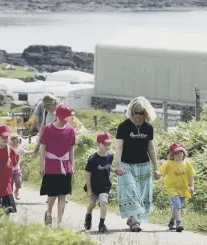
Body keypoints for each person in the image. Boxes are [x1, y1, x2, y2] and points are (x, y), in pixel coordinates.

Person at [115, 96, 161, 232]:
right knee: (131, 191)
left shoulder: (148, 128)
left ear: (146, 114)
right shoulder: (124, 126)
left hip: (143, 165)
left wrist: (156, 167)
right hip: (126, 164)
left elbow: (151, 148)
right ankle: (135, 221)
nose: (138, 116)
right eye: (136, 113)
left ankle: (132, 217)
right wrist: (118, 165)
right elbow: (118, 147)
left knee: (140, 193)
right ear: (131, 113)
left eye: (141, 113)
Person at [39, 104, 75, 228]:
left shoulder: (70, 130)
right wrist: (41, 164)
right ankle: (48, 212)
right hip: (51, 165)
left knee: (63, 195)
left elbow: (71, 149)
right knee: (52, 194)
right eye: (63, 118)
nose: (65, 120)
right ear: (56, 116)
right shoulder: (48, 129)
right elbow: (42, 146)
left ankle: (60, 222)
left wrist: (72, 164)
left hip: (65, 166)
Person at [159, 142, 195, 232]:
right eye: (176, 152)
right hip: (171, 187)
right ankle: (179, 223)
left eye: (180, 152)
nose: (179, 154)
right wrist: (158, 175)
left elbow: (191, 176)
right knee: (177, 204)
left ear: (184, 153)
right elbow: (160, 173)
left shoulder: (187, 164)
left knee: (177, 206)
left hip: (183, 188)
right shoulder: (168, 163)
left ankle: (171, 221)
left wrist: (192, 187)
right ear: (172, 155)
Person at [83, 132, 114, 233]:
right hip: (93, 186)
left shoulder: (110, 156)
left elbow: (108, 167)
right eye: (104, 144)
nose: (107, 146)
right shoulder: (93, 158)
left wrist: (116, 170)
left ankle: (101, 224)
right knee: (92, 204)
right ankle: (88, 215)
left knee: (103, 203)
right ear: (98, 144)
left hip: (104, 186)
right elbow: (88, 174)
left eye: (109, 144)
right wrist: (89, 189)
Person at [9, 133, 35, 200]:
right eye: (13, 140)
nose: (15, 142)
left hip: (16, 169)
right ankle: (10, 196)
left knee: (19, 182)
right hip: (9, 170)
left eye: (16, 140)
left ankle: (16, 191)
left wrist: (33, 151)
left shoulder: (19, 149)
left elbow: (26, 153)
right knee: (10, 184)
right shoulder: (8, 148)